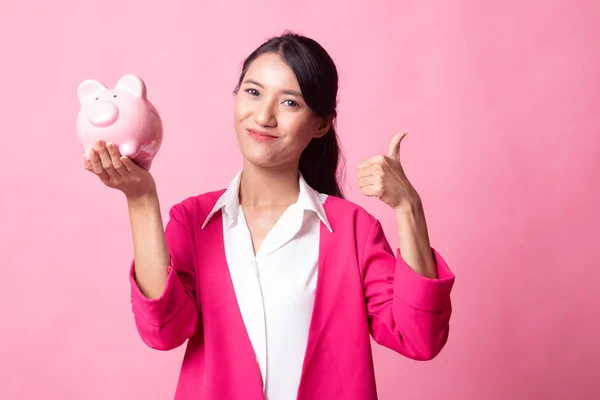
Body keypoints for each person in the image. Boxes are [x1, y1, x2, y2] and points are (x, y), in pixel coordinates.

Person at [83, 31, 455, 400]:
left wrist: (409, 207)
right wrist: (141, 199)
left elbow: (419, 337)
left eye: (290, 103)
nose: (263, 115)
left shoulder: (353, 229)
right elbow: (163, 332)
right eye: (253, 91)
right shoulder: (193, 221)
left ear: (322, 125)